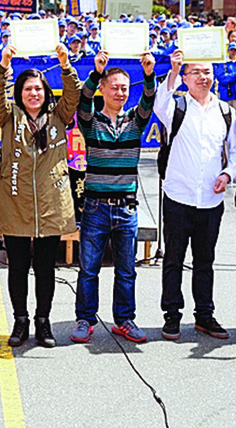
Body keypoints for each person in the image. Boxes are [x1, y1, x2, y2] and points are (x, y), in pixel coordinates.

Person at [0, 43, 80, 348]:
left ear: (45, 91)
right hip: (16, 204)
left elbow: (73, 94)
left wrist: (65, 65)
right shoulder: (9, 117)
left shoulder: (59, 116)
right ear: (20, 92)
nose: (33, 94)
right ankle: (20, 320)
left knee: (44, 268)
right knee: (16, 266)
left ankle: (43, 320)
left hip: (51, 205)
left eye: (38, 89)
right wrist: (3, 66)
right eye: (27, 89)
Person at [70, 48, 157, 344]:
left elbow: (148, 99)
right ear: (103, 90)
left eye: (123, 88)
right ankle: (84, 319)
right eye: (114, 87)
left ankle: (124, 319)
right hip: (95, 208)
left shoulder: (136, 121)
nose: (120, 92)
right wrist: (96, 72)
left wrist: (148, 73)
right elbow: (82, 101)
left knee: (127, 270)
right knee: (89, 269)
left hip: (127, 210)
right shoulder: (90, 122)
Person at [154, 50, 236, 340]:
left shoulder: (227, 111)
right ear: (186, 78)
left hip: (211, 201)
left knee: (205, 260)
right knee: (174, 259)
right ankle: (172, 315)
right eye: (196, 73)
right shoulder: (176, 106)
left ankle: (205, 314)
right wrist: (174, 70)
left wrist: (227, 174)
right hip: (179, 196)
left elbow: (234, 153)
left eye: (208, 72)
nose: (203, 78)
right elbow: (158, 104)